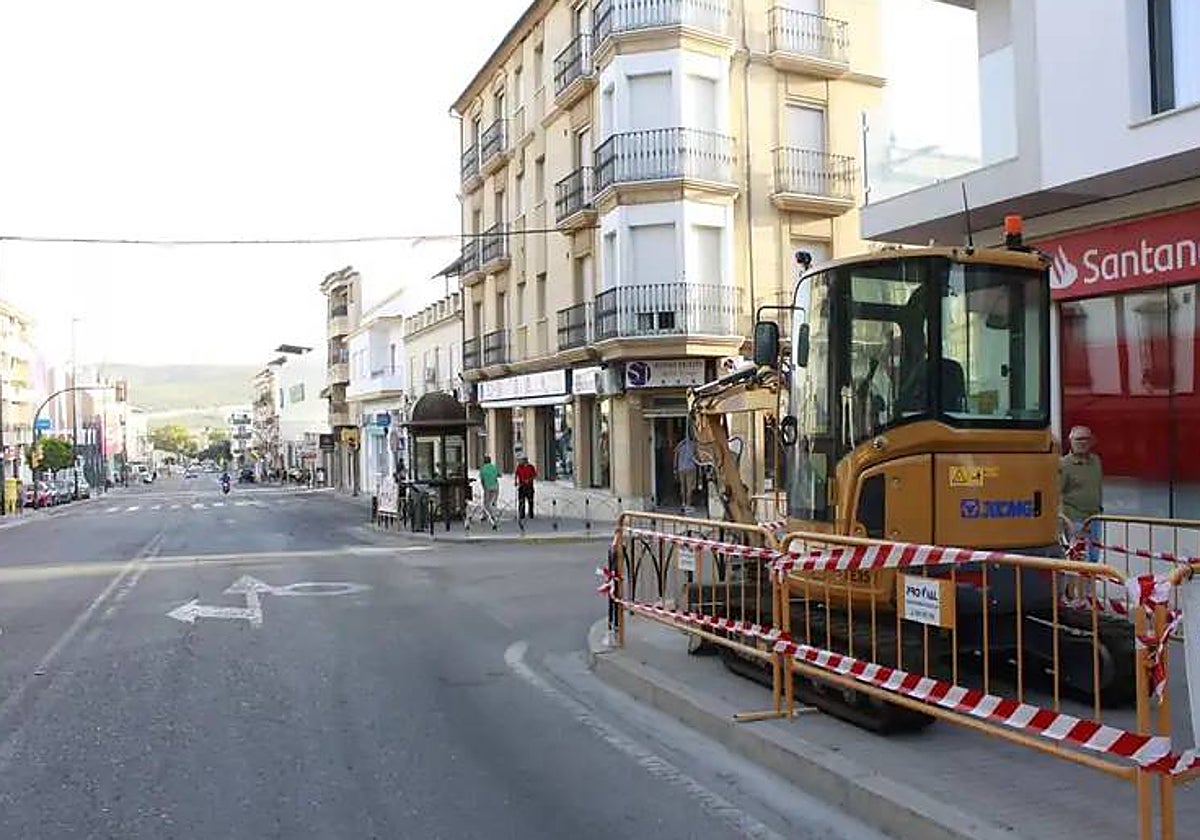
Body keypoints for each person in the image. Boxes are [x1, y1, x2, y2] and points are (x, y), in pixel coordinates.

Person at [1061, 425, 1103, 562]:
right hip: (1075, 519)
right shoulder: (1064, 464)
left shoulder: (1096, 461)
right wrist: (1066, 522)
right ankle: (1079, 584)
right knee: (1081, 560)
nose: (1082, 443)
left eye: (1086, 439)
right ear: (1071, 441)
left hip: (1095, 518)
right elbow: (1056, 494)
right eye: (1078, 439)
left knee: (1094, 558)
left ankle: (1090, 583)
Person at [674, 435, 697, 512]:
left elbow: (675, 456)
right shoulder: (693, 445)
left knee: (682, 487)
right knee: (689, 487)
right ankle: (688, 505)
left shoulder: (679, 445)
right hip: (690, 468)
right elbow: (697, 456)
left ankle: (683, 503)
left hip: (681, 468)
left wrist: (675, 468)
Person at [478, 455, 500, 529]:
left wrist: (483, 487)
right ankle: (494, 514)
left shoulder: (482, 469)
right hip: (495, 486)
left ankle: (486, 515)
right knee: (493, 501)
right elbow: (499, 475)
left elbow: (482, 479)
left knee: (486, 502)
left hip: (487, 487)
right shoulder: (494, 467)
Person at [515, 455, 537, 520]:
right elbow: (516, 474)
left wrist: (529, 480)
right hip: (521, 485)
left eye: (521, 460)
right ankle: (521, 514)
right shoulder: (519, 467)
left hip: (529, 486)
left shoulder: (531, 467)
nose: (520, 462)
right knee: (521, 500)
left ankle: (531, 513)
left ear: (525, 461)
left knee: (530, 500)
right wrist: (516, 481)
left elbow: (534, 475)